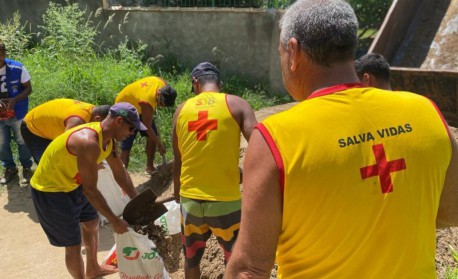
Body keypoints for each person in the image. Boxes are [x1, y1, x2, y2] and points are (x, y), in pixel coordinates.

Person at [225, 0, 458, 278]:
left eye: (281, 51)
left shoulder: (274, 139)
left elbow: (249, 270)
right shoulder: (425, 112)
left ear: (294, 52)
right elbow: (450, 211)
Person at [29, 102, 141, 279]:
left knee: (91, 223)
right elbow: (90, 190)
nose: (132, 133)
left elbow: (120, 172)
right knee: (73, 244)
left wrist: (138, 201)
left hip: (73, 184)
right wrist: (114, 221)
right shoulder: (88, 142)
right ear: (119, 121)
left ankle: (93, 269)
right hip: (51, 190)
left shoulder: (108, 139)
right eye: (131, 128)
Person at [172, 62, 257, 279]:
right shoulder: (237, 104)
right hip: (225, 203)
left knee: (191, 261)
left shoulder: (181, 110)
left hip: (190, 201)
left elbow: (178, 159)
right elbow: (260, 148)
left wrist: (177, 195)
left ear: (195, 83)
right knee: (236, 261)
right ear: (219, 83)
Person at [115, 76, 177, 173]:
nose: (160, 106)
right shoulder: (147, 101)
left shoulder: (163, 84)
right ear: (158, 94)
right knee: (127, 142)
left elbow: (148, 127)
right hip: (125, 109)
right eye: (160, 104)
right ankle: (122, 176)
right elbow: (146, 126)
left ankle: (149, 167)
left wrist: (156, 140)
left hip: (138, 105)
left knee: (152, 136)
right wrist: (159, 144)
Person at [21, 98, 110, 164]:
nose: (102, 130)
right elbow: (65, 148)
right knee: (49, 165)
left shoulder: (94, 112)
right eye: (103, 126)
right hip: (33, 128)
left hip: (50, 128)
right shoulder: (77, 120)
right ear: (97, 118)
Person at [0, 40, 33, 184]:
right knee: (1, 143)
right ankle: (9, 168)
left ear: (4, 52)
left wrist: (15, 100)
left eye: (0, 53)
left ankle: (26, 167)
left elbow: (28, 88)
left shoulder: (17, 67)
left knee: (22, 141)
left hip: (17, 111)